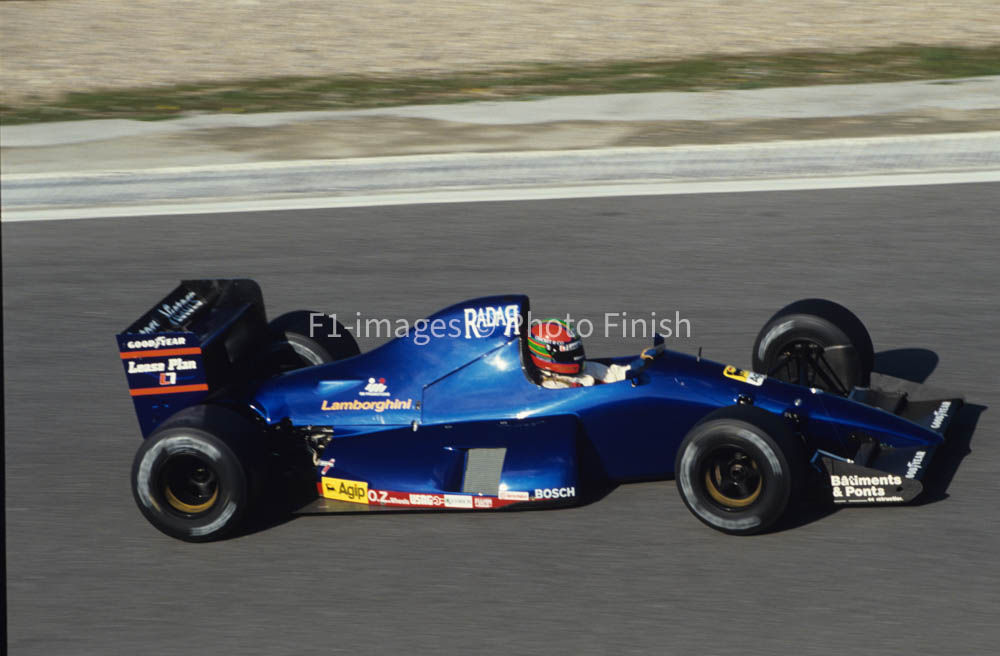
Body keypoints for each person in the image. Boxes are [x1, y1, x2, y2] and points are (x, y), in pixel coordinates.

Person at [527, 318, 630, 389]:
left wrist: (641, 363)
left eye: (576, 350)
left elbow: (617, 373)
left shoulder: (589, 368)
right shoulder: (551, 387)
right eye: (569, 352)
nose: (576, 357)